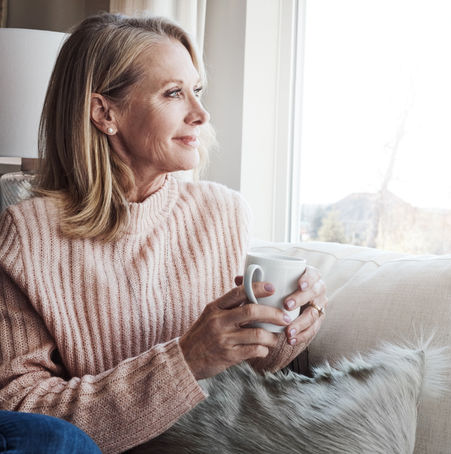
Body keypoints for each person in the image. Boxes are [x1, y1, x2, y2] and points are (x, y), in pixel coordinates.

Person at [0, 13, 328, 454]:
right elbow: (22, 412)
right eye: (174, 93)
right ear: (104, 112)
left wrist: (293, 324)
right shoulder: (28, 234)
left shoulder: (222, 212)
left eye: (197, 90)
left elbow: (253, 374)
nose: (201, 113)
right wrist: (186, 360)